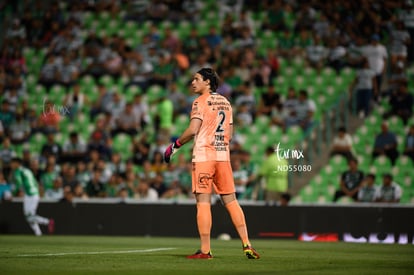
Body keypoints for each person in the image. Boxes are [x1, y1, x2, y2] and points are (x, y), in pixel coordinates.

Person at [163, 68, 260, 259]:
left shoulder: (199, 102)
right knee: (231, 201)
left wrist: (174, 146)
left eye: (196, 79)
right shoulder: (226, 102)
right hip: (223, 156)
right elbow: (230, 135)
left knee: (203, 202)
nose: (192, 83)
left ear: (208, 82)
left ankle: (205, 251)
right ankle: (247, 244)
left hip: (204, 157)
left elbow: (192, 130)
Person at [10, 157, 54, 236]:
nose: (11, 165)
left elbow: (19, 183)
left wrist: (13, 194)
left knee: (29, 217)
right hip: (34, 194)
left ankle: (47, 221)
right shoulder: (27, 170)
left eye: (12, 163)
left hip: (30, 194)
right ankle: (38, 233)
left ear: (17, 163)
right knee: (29, 216)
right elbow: (35, 182)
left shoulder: (18, 171)